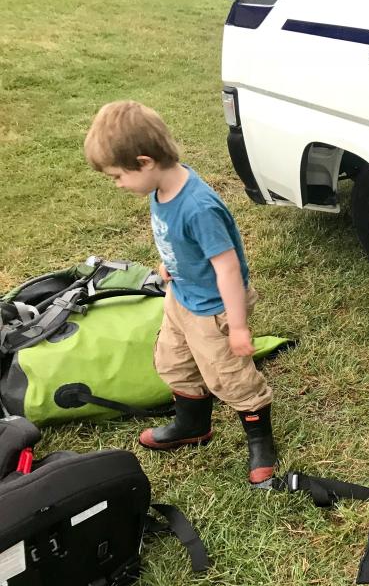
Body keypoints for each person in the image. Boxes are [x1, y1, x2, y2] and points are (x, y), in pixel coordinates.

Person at [84, 100, 277, 485]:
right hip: (181, 295)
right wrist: (171, 265)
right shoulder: (160, 189)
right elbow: (179, 241)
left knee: (229, 377)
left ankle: (260, 440)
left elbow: (228, 268)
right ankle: (192, 426)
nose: (118, 185)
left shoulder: (199, 207)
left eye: (117, 177)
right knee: (174, 362)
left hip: (215, 309)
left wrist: (237, 327)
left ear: (144, 161)